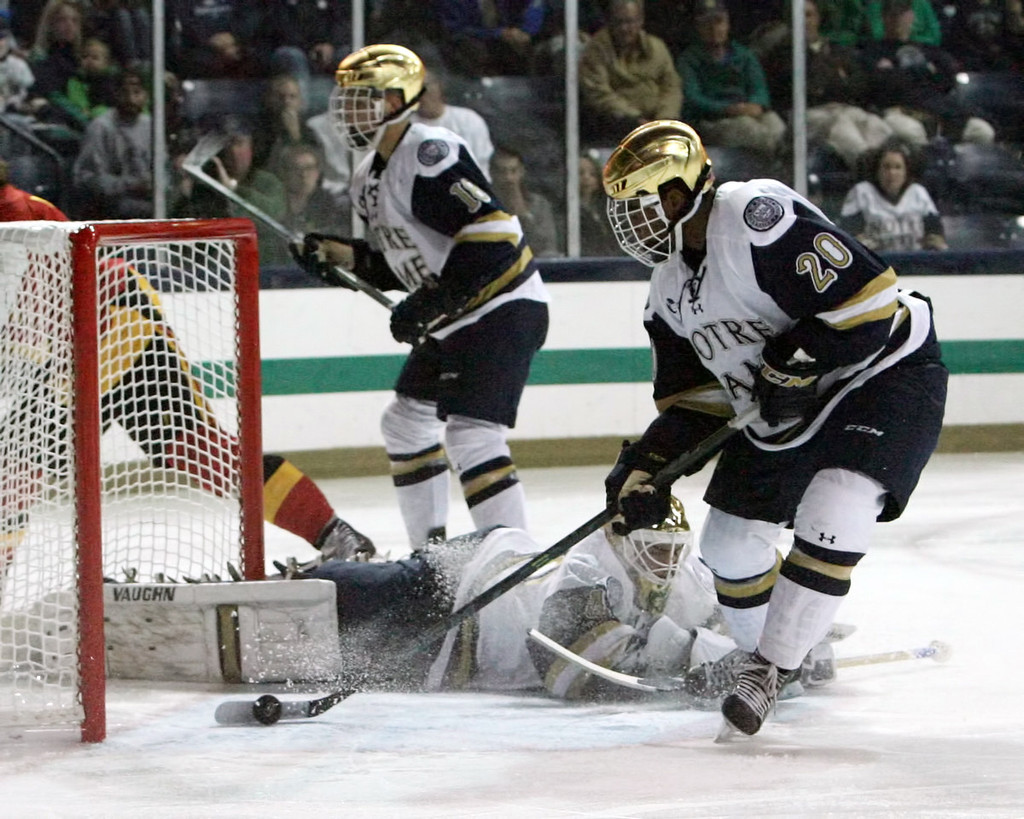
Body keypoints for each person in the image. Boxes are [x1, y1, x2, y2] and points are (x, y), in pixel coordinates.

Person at [599, 119, 947, 735]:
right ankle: (788, 657)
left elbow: (870, 303)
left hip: (880, 375)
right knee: (726, 545)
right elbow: (700, 400)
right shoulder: (666, 293)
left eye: (640, 205)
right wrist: (647, 467)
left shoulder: (757, 216)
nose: (630, 223)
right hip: (787, 410)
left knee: (838, 502)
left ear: (681, 193)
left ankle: (766, 668)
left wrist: (793, 360)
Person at [0, 161, 374, 596]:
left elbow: (29, 330)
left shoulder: (13, 215)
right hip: (89, 331)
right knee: (193, 447)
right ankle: (337, 534)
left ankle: (337, 535)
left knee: (15, 463)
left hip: (110, 323)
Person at [291, 44, 549, 549]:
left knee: (473, 433)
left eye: (362, 98)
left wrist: (431, 303)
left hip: (501, 307)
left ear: (397, 100)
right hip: (457, 316)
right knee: (406, 425)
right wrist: (344, 257)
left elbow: (494, 234)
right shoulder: (368, 176)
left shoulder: (431, 152)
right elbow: (407, 261)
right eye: (345, 99)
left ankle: (515, 565)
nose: (347, 110)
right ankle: (430, 557)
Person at [303, 499, 753, 698]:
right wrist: (696, 656)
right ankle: (307, 574)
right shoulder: (590, 565)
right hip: (463, 597)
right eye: (655, 549)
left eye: (674, 549)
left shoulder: (687, 574)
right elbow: (570, 675)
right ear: (623, 542)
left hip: (479, 614)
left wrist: (774, 655)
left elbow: (738, 622)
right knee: (333, 599)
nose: (667, 562)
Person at [761, 0, 894, 171]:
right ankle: (870, 169)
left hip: (844, 107)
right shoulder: (783, 54)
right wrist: (835, 79)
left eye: (809, 15)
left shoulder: (836, 50)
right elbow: (807, 91)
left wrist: (832, 84)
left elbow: (858, 86)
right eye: (799, 15)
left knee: (873, 123)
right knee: (842, 125)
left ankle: (888, 168)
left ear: (818, 18)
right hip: (807, 115)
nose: (804, 20)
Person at [860, 0, 995, 147]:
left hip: (938, 109)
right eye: (892, 15)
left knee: (982, 131)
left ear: (911, 17)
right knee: (912, 132)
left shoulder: (927, 50)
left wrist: (899, 71)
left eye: (903, 14)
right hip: (898, 110)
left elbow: (947, 79)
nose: (898, 20)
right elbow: (885, 86)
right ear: (884, 18)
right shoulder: (872, 52)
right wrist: (925, 71)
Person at [675, 0, 786, 157]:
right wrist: (726, 108)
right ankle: (782, 163)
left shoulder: (744, 55)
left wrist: (757, 104)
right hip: (712, 120)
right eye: (707, 24)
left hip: (748, 111)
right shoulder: (689, 60)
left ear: (727, 24)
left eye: (719, 22)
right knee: (747, 128)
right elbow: (692, 98)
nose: (714, 29)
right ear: (698, 27)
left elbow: (759, 88)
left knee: (775, 124)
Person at [577, 0, 682, 144]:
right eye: (619, 22)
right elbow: (598, 93)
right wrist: (636, 120)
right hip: (617, 124)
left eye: (630, 22)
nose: (625, 28)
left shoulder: (657, 48)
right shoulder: (596, 51)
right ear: (610, 22)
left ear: (641, 21)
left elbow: (671, 86)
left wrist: (664, 119)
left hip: (660, 124)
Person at [838, 139, 948, 251]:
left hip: (915, 263)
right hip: (877, 264)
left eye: (898, 167)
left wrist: (937, 242)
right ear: (877, 170)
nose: (892, 173)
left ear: (906, 171)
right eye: (886, 167)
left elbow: (936, 235)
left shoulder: (918, 193)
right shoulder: (861, 193)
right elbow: (849, 236)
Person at [71, 67, 151, 218]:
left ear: (146, 95)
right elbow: (87, 178)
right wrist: (130, 185)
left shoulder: (151, 125)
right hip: (112, 202)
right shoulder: (101, 127)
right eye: (125, 93)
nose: (131, 100)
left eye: (137, 93)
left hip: (149, 197)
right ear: (116, 94)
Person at [411, 64, 495, 180]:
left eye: (424, 87)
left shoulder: (468, 120)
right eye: (414, 89)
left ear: (440, 87)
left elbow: (479, 165)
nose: (420, 95)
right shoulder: (404, 126)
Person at [436, 0, 547, 76]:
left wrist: (525, 31)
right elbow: (454, 28)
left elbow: (534, 6)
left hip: (511, 41)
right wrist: (498, 33)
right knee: (472, 48)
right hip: (472, 42)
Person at [490, 144, 560, 257]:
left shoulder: (539, 204)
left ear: (521, 172)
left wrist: (523, 214)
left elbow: (547, 246)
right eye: (502, 172)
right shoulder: (484, 203)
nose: (509, 178)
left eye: (513, 171)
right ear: (492, 173)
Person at [578, 152, 621, 257]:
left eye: (592, 174)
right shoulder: (568, 212)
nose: (586, 178)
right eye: (580, 173)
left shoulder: (606, 208)